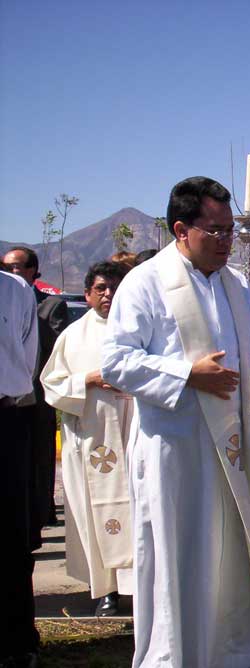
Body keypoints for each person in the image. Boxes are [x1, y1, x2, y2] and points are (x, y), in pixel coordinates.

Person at [102, 176, 250, 667]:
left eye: (231, 230)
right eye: (216, 231)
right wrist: (188, 375)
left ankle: (232, 648)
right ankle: (176, 654)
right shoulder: (145, 284)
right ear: (181, 229)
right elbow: (117, 362)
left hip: (231, 444)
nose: (227, 240)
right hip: (176, 445)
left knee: (231, 548)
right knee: (179, 550)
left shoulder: (235, 285)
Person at [40, 261, 133, 617]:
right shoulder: (73, 336)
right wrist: (89, 380)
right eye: (101, 289)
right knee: (98, 515)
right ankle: (106, 589)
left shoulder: (143, 329)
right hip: (95, 442)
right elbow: (52, 384)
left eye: (115, 287)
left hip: (136, 436)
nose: (108, 294)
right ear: (88, 294)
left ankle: (143, 585)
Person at [3, 246, 69, 534]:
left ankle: (41, 511)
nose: (13, 271)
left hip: (25, 399)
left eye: (18, 266)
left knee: (36, 461)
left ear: (33, 270)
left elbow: (36, 353)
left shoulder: (32, 298)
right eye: (8, 266)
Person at [0, 269, 40, 667]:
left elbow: (26, 361)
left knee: (11, 537)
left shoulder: (16, 290)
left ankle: (17, 641)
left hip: (6, 418)